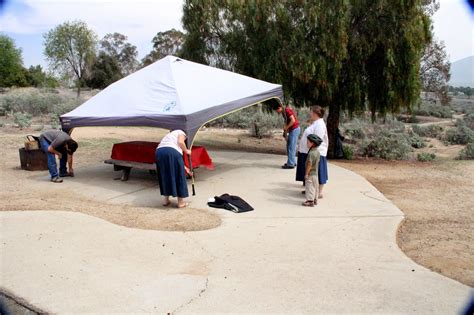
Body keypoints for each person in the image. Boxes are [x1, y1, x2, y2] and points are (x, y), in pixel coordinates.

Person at [156, 129, 192, 208]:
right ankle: (180, 202)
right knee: (179, 175)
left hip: (159, 152)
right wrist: (186, 151)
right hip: (171, 152)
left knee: (165, 175)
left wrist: (186, 168)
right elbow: (180, 142)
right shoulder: (181, 132)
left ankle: (165, 200)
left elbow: (175, 162)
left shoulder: (169, 135)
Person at [296, 106, 320, 187]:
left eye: (312, 112)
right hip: (304, 150)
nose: (310, 114)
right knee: (303, 168)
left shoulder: (317, 124)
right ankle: (306, 185)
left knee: (307, 168)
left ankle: (309, 187)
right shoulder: (313, 124)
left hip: (307, 150)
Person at [276, 102, 300, 169]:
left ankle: (291, 164)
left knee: (291, 147)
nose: (276, 112)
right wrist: (286, 132)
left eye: (276, 110)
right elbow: (287, 122)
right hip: (293, 130)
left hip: (294, 129)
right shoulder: (284, 112)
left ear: (279, 108)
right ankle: (292, 162)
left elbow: (293, 120)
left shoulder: (286, 110)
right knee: (291, 146)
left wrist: (286, 128)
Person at [312, 106, 329, 198]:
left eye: (312, 113)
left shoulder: (320, 125)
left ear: (315, 114)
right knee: (315, 172)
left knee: (320, 172)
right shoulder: (317, 123)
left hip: (319, 152)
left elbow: (317, 139)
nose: (311, 114)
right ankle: (314, 190)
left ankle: (320, 192)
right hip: (316, 151)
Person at [302, 134, 323, 207]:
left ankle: (310, 201)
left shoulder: (311, 153)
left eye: (308, 142)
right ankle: (315, 199)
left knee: (309, 187)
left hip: (310, 174)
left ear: (312, 143)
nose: (307, 143)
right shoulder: (317, 152)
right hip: (316, 174)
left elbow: (309, 164)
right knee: (315, 187)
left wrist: (306, 174)